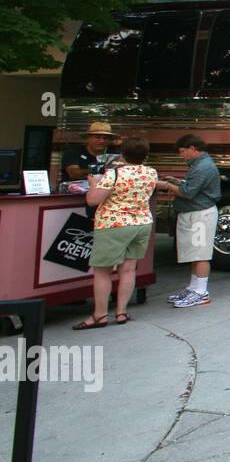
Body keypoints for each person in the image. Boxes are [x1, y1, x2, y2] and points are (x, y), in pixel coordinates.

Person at [74, 137, 157, 330]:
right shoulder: (151, 172)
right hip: (142, 222)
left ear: (122, 154)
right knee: (128, 269)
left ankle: (100, 314)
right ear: (145, 155)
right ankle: (121, 312)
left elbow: (93, 200)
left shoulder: (115, 174)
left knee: (102, 271)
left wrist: (93, 183)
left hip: (114, 224)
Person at [155, 134, 221, 308]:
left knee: (200, 254)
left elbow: (187, 192)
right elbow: (192, 187)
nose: (181, 155)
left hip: (200, 215)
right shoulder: (201, 165)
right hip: (195, 213)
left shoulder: (203, 167)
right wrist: (177, 182)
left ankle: (201, 292)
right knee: (194, 254)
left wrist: (167, 186)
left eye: (182, 151)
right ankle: (193, 288)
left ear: (192, 148)